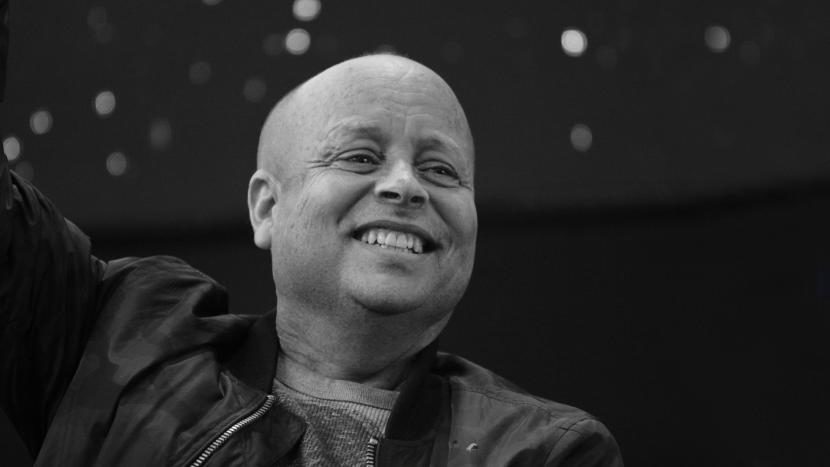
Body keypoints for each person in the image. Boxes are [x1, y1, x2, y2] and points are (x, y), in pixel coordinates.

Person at [1, 53, 623, 466]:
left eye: (441, 170)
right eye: (360, 157)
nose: (406, 186)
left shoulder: (543, 453)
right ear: (267, 208)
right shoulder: (121, 339)